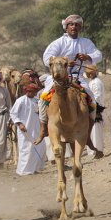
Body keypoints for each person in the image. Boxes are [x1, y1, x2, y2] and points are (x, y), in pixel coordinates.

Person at [36, 14, 103, 144]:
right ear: (66, 27)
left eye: (77, 25)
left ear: (80, 27)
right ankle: (43, 128)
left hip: (78, 77)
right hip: (58, 78)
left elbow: (98, 55)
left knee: (92, 102)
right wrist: (63, 63)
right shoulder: (58, 42)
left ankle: (87, 134)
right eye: (71, 25)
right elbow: (47, 57)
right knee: (43, 98)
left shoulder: (86, 42)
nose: (74, 27)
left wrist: (87, 57)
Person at [10, 84, 46, 175]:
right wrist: (19, 123)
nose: (29, 93)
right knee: (26, 149)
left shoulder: (37, 101)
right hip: (25, 130)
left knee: (38, 148)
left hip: (37, 129)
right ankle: (23, 171)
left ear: (35, 92)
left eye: (31, 91)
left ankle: (35, 169)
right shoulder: (21, 100)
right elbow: (13, 113)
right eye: (28, 91)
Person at [86, 65, 105, 159]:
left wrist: (89, 104)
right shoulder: (91, 82)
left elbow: (97, 96)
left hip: (96, 109)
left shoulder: (97, 82)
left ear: (95, 72)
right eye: (89, 73)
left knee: (96, 131)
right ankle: (94, 150)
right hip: (92, 109)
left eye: (92, 72)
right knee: (92, 131)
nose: (90, 74)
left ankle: (99, 151)